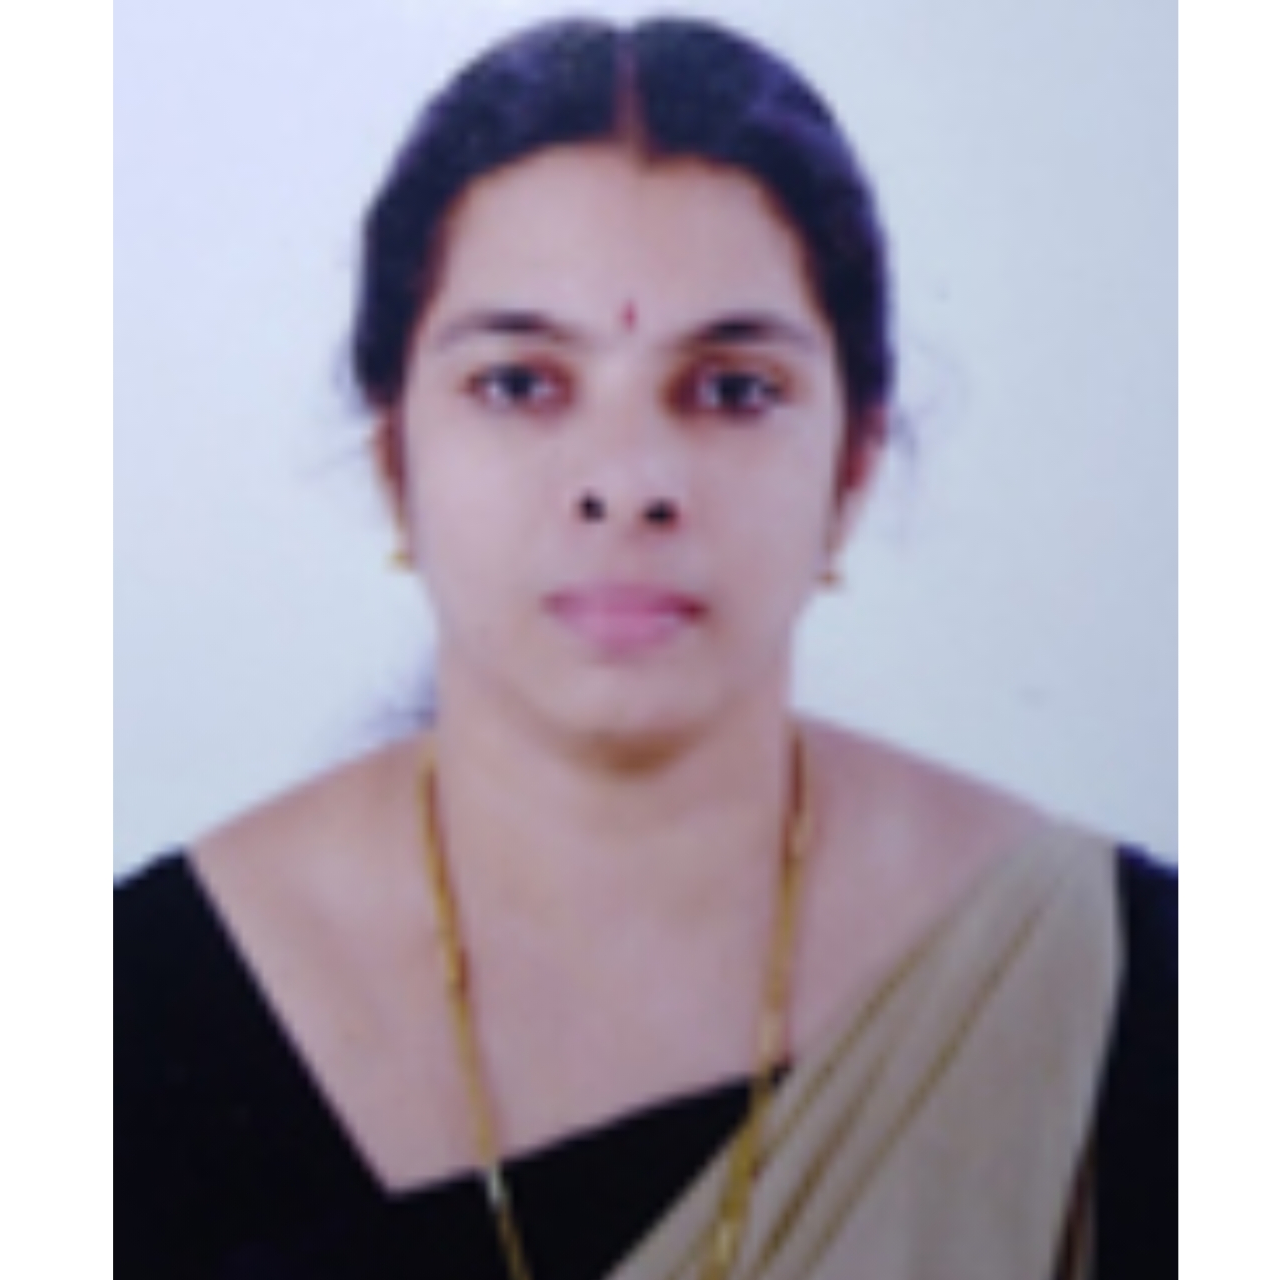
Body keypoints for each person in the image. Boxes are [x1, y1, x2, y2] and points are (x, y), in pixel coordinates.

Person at [115, 16, 1175, 1279]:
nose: (625, 482)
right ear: (396, 458)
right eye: (520, 383)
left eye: (730, 388)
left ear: (850, 467)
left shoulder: (1110, 988)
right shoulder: (124, 1012)